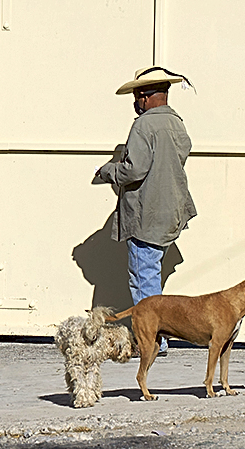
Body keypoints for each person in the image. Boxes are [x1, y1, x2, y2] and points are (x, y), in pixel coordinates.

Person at [94, 66, 197, 350]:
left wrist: (108, 171)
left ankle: (153, 341)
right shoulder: (177, 122)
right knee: (151, 274)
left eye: (137, 96)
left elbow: (134, 169)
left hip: (147, 213)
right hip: (171, 210)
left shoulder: (144, 125)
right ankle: (158, 337)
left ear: (145, 96)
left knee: (143, 278)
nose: (135, 102)